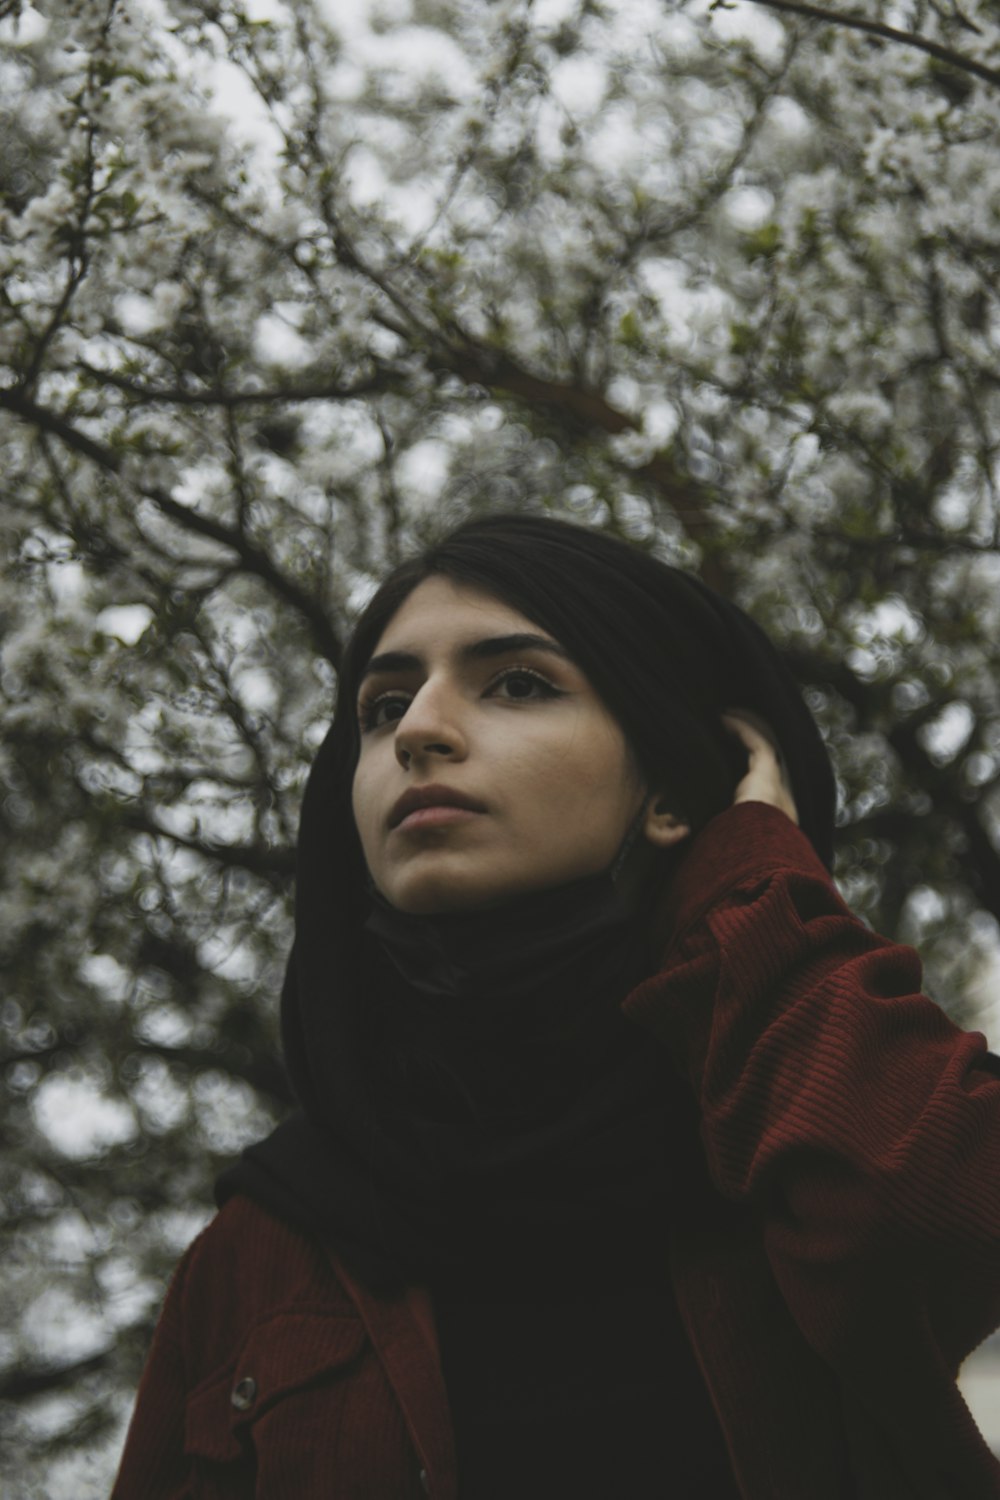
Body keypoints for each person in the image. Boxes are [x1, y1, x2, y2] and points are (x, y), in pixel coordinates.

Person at [111, 512, 1000, 1499]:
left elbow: (942, 1223)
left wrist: (750, 884)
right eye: (380, 706)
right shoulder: (261, 1254)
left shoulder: (781, 1143)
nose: (417, 730)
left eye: (519, 684)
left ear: (668, 787)